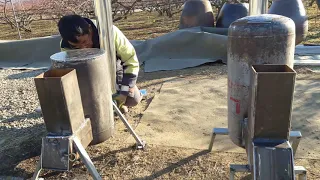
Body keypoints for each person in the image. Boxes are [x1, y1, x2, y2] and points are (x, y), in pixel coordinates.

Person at [57, 15, 142, 113]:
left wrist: (125, 90)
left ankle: (120, 100)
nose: (83, 48)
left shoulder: (110, 32)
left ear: (89, 29)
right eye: (76, 47)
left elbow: (130, 60)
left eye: (85, 41)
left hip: (114, 70)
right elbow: (73, 70)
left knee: (132, 99)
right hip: (89, 74)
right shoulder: (65, 46)